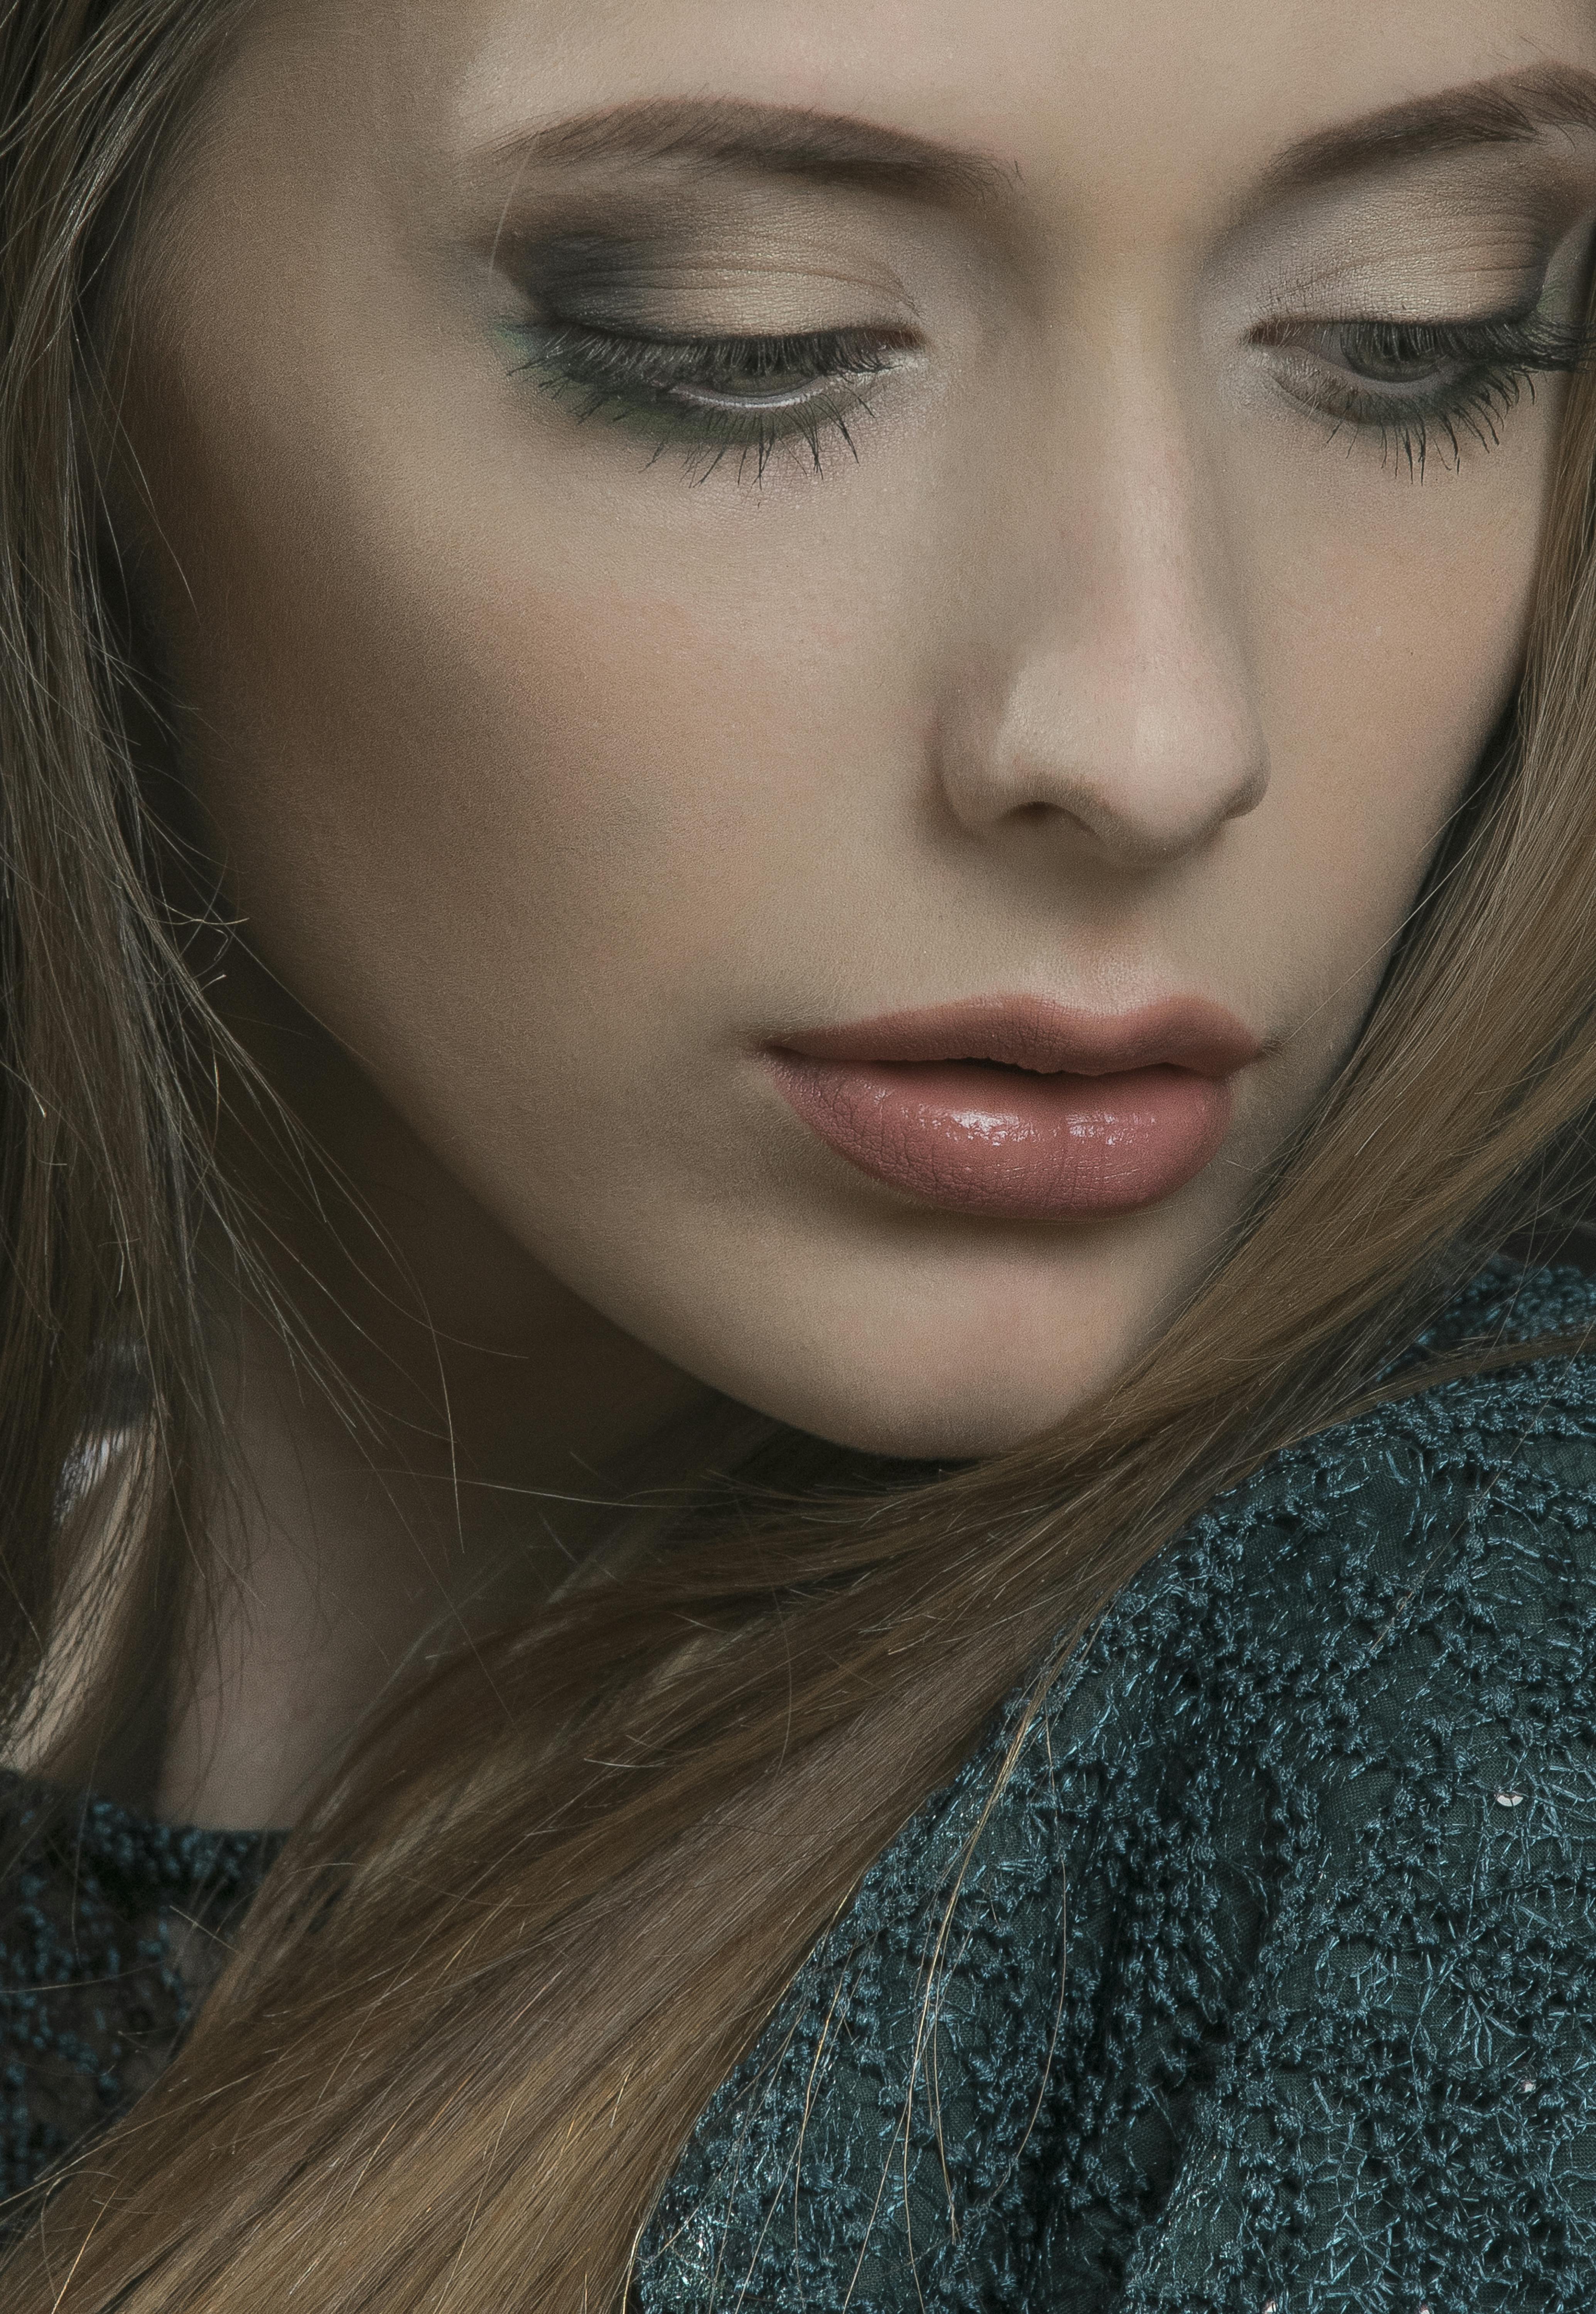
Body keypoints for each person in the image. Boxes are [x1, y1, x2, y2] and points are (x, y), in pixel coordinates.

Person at [2, 0, 1596, 2304]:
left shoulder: (1476, 1682)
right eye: (748, 343)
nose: (1153, 733)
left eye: (1409, 338)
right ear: (71, 347)